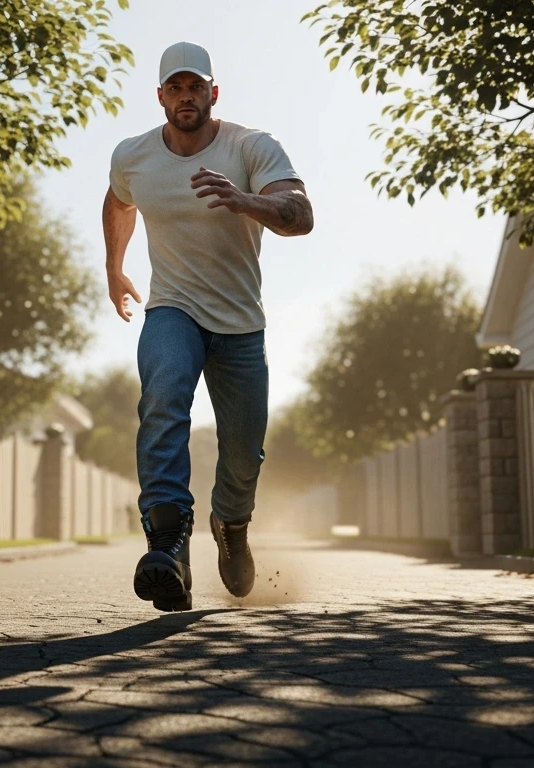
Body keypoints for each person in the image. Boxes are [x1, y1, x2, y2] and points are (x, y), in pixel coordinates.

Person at [103, 41, 314, 611]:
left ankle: (231, 522)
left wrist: (246, 201)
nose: (186, 96)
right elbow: (119, 200)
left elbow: (302, 216)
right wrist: (115, 267)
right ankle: (168, 543)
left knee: (244, 450)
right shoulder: (134, 154)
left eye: (196, 86)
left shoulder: (252, 146)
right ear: (161, 96)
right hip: (172, 306)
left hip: (241, 323)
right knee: (164, 395)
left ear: (213, 93)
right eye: (175, 87)